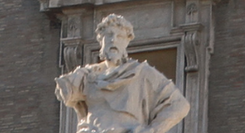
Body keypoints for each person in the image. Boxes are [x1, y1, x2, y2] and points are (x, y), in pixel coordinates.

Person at [54, 14, 190, 133]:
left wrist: (152, 130)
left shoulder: (141, 73)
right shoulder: (88, 76)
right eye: (109, 35)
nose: (113, 40)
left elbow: (179, 104)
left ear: (126, 41)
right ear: (101, 40)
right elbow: (65, 94)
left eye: (119, 36)